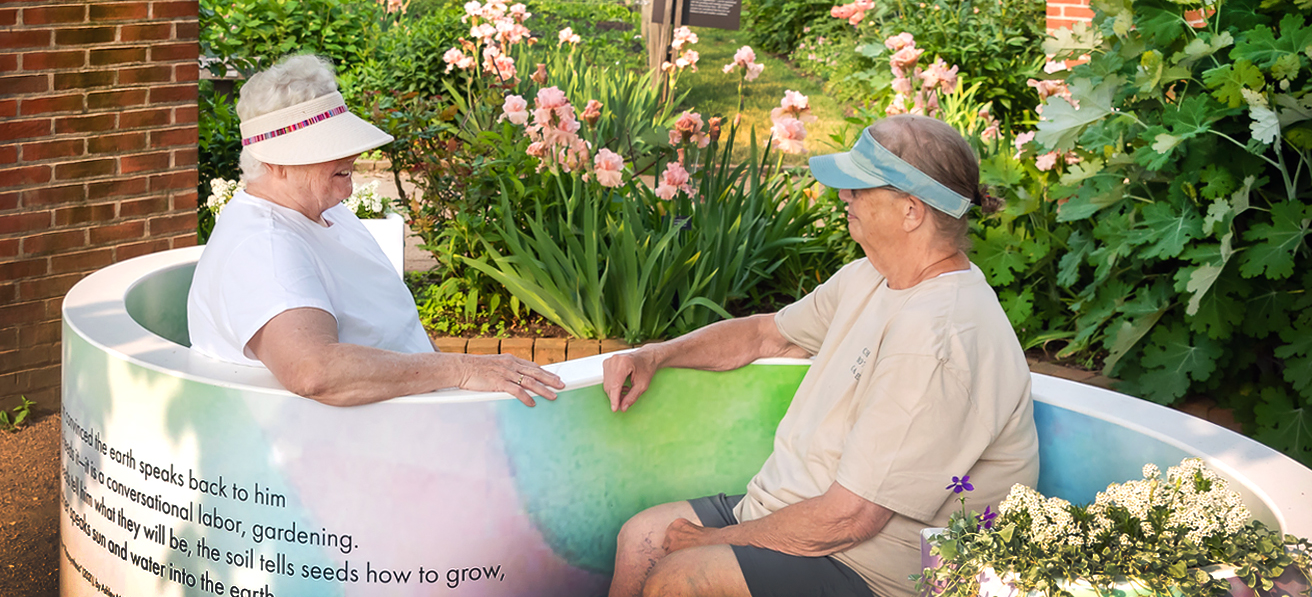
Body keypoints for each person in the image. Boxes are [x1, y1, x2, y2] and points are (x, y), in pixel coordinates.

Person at [601, 115, 1039, 597]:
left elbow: (852, 517)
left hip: (877, 567)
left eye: (858, 187)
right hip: (793, 512)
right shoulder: (871, 276)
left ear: (911, 211)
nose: (842, 196)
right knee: (640, 536)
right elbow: (767, 334)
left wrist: (714, 540)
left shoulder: (938, 336)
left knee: (683, 579)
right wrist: (656, 355)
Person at [188, 54, 564, 407]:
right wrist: (460, 370)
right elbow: (314, 370)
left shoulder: (324, 212)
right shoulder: (264, 246)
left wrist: (455, 379)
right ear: (275, 162)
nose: (353, 156)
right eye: (329, 146)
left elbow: (397, 327)